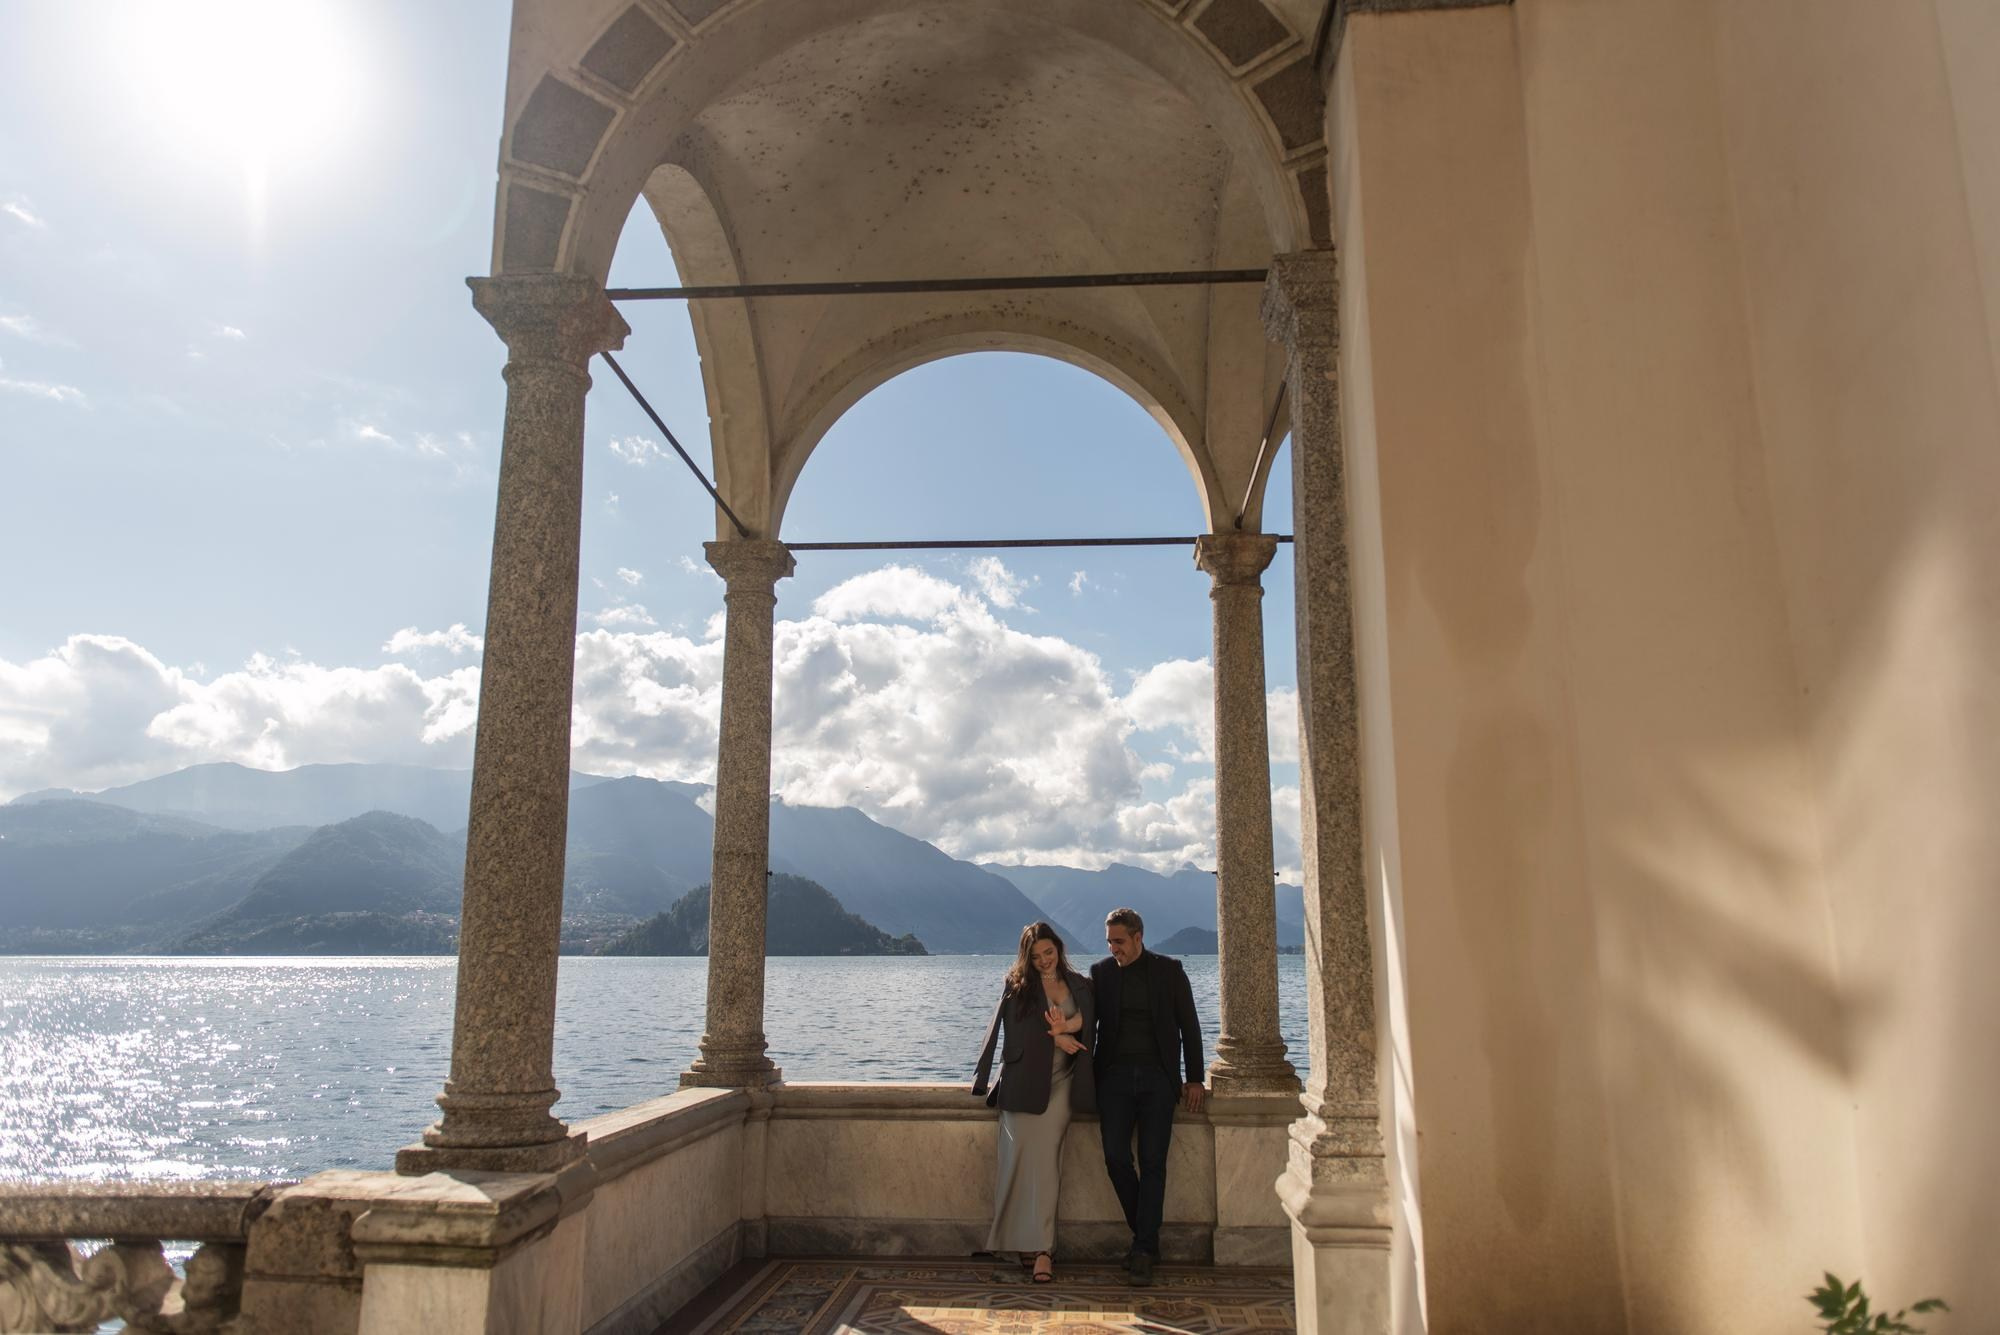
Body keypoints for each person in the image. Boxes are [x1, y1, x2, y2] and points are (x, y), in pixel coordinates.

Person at [971, 921, 1097, 1284]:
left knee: (1045, 1165)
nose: (1044, 960)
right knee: (1016, 1165)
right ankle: (1018, 1243)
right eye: (1036, 955)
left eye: (1049, 952)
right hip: (1023, 1084)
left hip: (1063, 1085)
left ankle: (1043, 1249)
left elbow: (1091, 1019)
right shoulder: (1017, 986)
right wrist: (1054, 1039)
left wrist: (1065, 1029)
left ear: (1059, 948)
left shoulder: (1081, 984)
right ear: (1026, 957)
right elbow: (1015, 1033)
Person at [1089, 906, 1204, 1287]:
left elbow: (1189, 1026)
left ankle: (1141, 1250)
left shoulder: (1169, 971)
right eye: (1109, 942)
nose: (1113, 949)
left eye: (1119, 941)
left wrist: (1195, 1078)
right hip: (1114, 1080)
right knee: (1115, 1158)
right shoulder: (1101, 973)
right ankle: (1147, 1239)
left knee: (1154, 1163)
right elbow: (1089, 1026)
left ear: (1138, 937)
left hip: (1158, 1080)